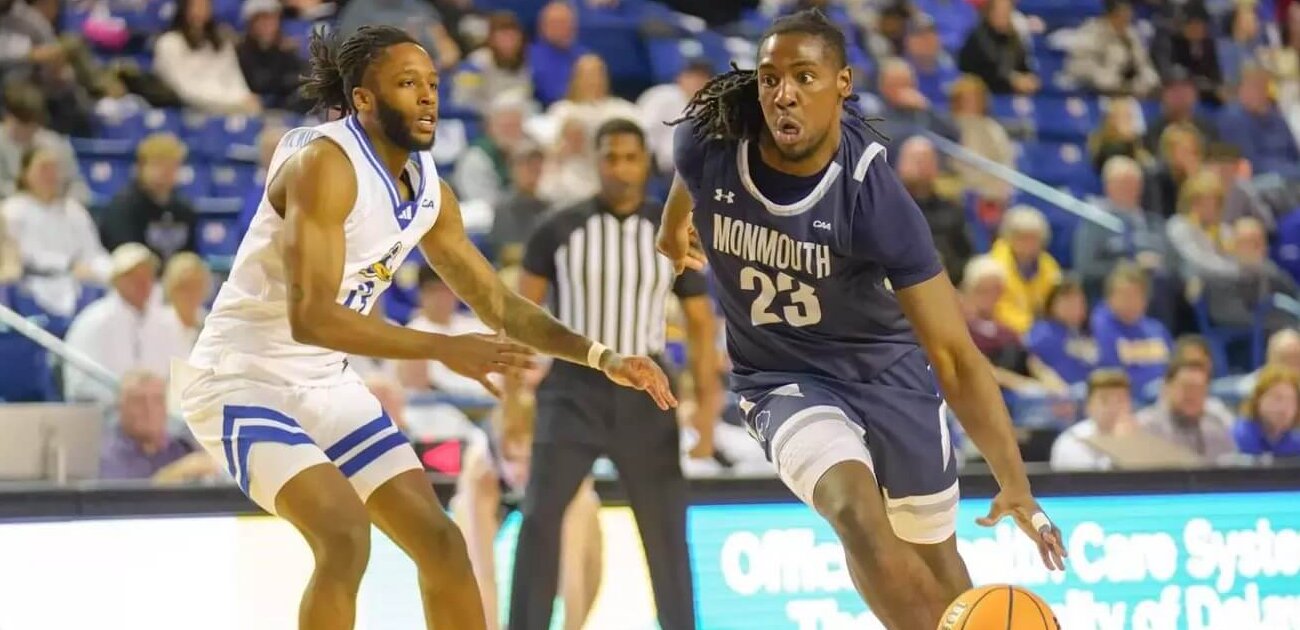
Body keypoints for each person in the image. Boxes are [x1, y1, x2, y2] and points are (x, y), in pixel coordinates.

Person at [171, 26, 675, 630]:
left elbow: (499, 304)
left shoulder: (431, 189)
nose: (428, 97)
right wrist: (446, 348)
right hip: (241, 379)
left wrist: (600, 357)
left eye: (432, 83)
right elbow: (312, 318)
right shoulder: (323, 166)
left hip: (325, 383)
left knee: (442, 543)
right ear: (363, 99)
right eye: (408, 84)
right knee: (344, 534)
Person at [656, 9, 1065, 629]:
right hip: (781, 377)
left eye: (804, 76)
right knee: (853, 510)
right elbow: (693, 171)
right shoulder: (707, 140)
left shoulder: (873, 195)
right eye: (769, 78)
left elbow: (954, 354)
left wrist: (1015, 482)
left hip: (885, 371)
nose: (783, 93)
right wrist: (671, 225)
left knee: (937, 563)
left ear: (843, 83)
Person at [508, 117, 719, 630]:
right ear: (595, 161)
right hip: (571, 390)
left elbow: (699, 324)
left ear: (646, 163)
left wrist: (708, 412)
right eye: (611, 157)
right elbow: (517, 315)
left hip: (648, 394)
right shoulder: (557, 228)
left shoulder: (668, 232)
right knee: (539, 520)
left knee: (666, 529)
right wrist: (512, 403)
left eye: (630, 157)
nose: (621, 168)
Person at [449, 373, 602, 630]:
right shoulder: (481, 468)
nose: (520, 471)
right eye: (513, 458)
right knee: (461, 550)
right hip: (491, 494)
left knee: (589, 554)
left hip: (552, 489)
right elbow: (484, 574)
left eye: (528, 460)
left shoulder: (566, 466)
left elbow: (571, 576)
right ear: (501, 450)